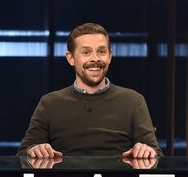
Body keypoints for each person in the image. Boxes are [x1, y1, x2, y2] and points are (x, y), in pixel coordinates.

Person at [17, 22, 161, 160]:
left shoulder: (134, 101)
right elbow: (23, 154)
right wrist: (33, 151)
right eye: (86, 52)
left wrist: (149, 152)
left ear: (110, 56)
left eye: (102, 51)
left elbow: (157, 155)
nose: (95, 59)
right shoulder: (49, 103)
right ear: (71, 58)